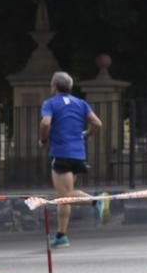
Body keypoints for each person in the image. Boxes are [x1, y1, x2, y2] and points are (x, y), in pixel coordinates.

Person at [38, 71, 107, 249]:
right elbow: (97, 123)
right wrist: (86, 134)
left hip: (61, 153)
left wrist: (44, 140)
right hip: (78, 154)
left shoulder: (50, 103)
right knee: (65, 196)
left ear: (54, 86)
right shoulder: (80, 103)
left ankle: (97, 200)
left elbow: (45, 123)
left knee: (65, 195)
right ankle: (61, 236)